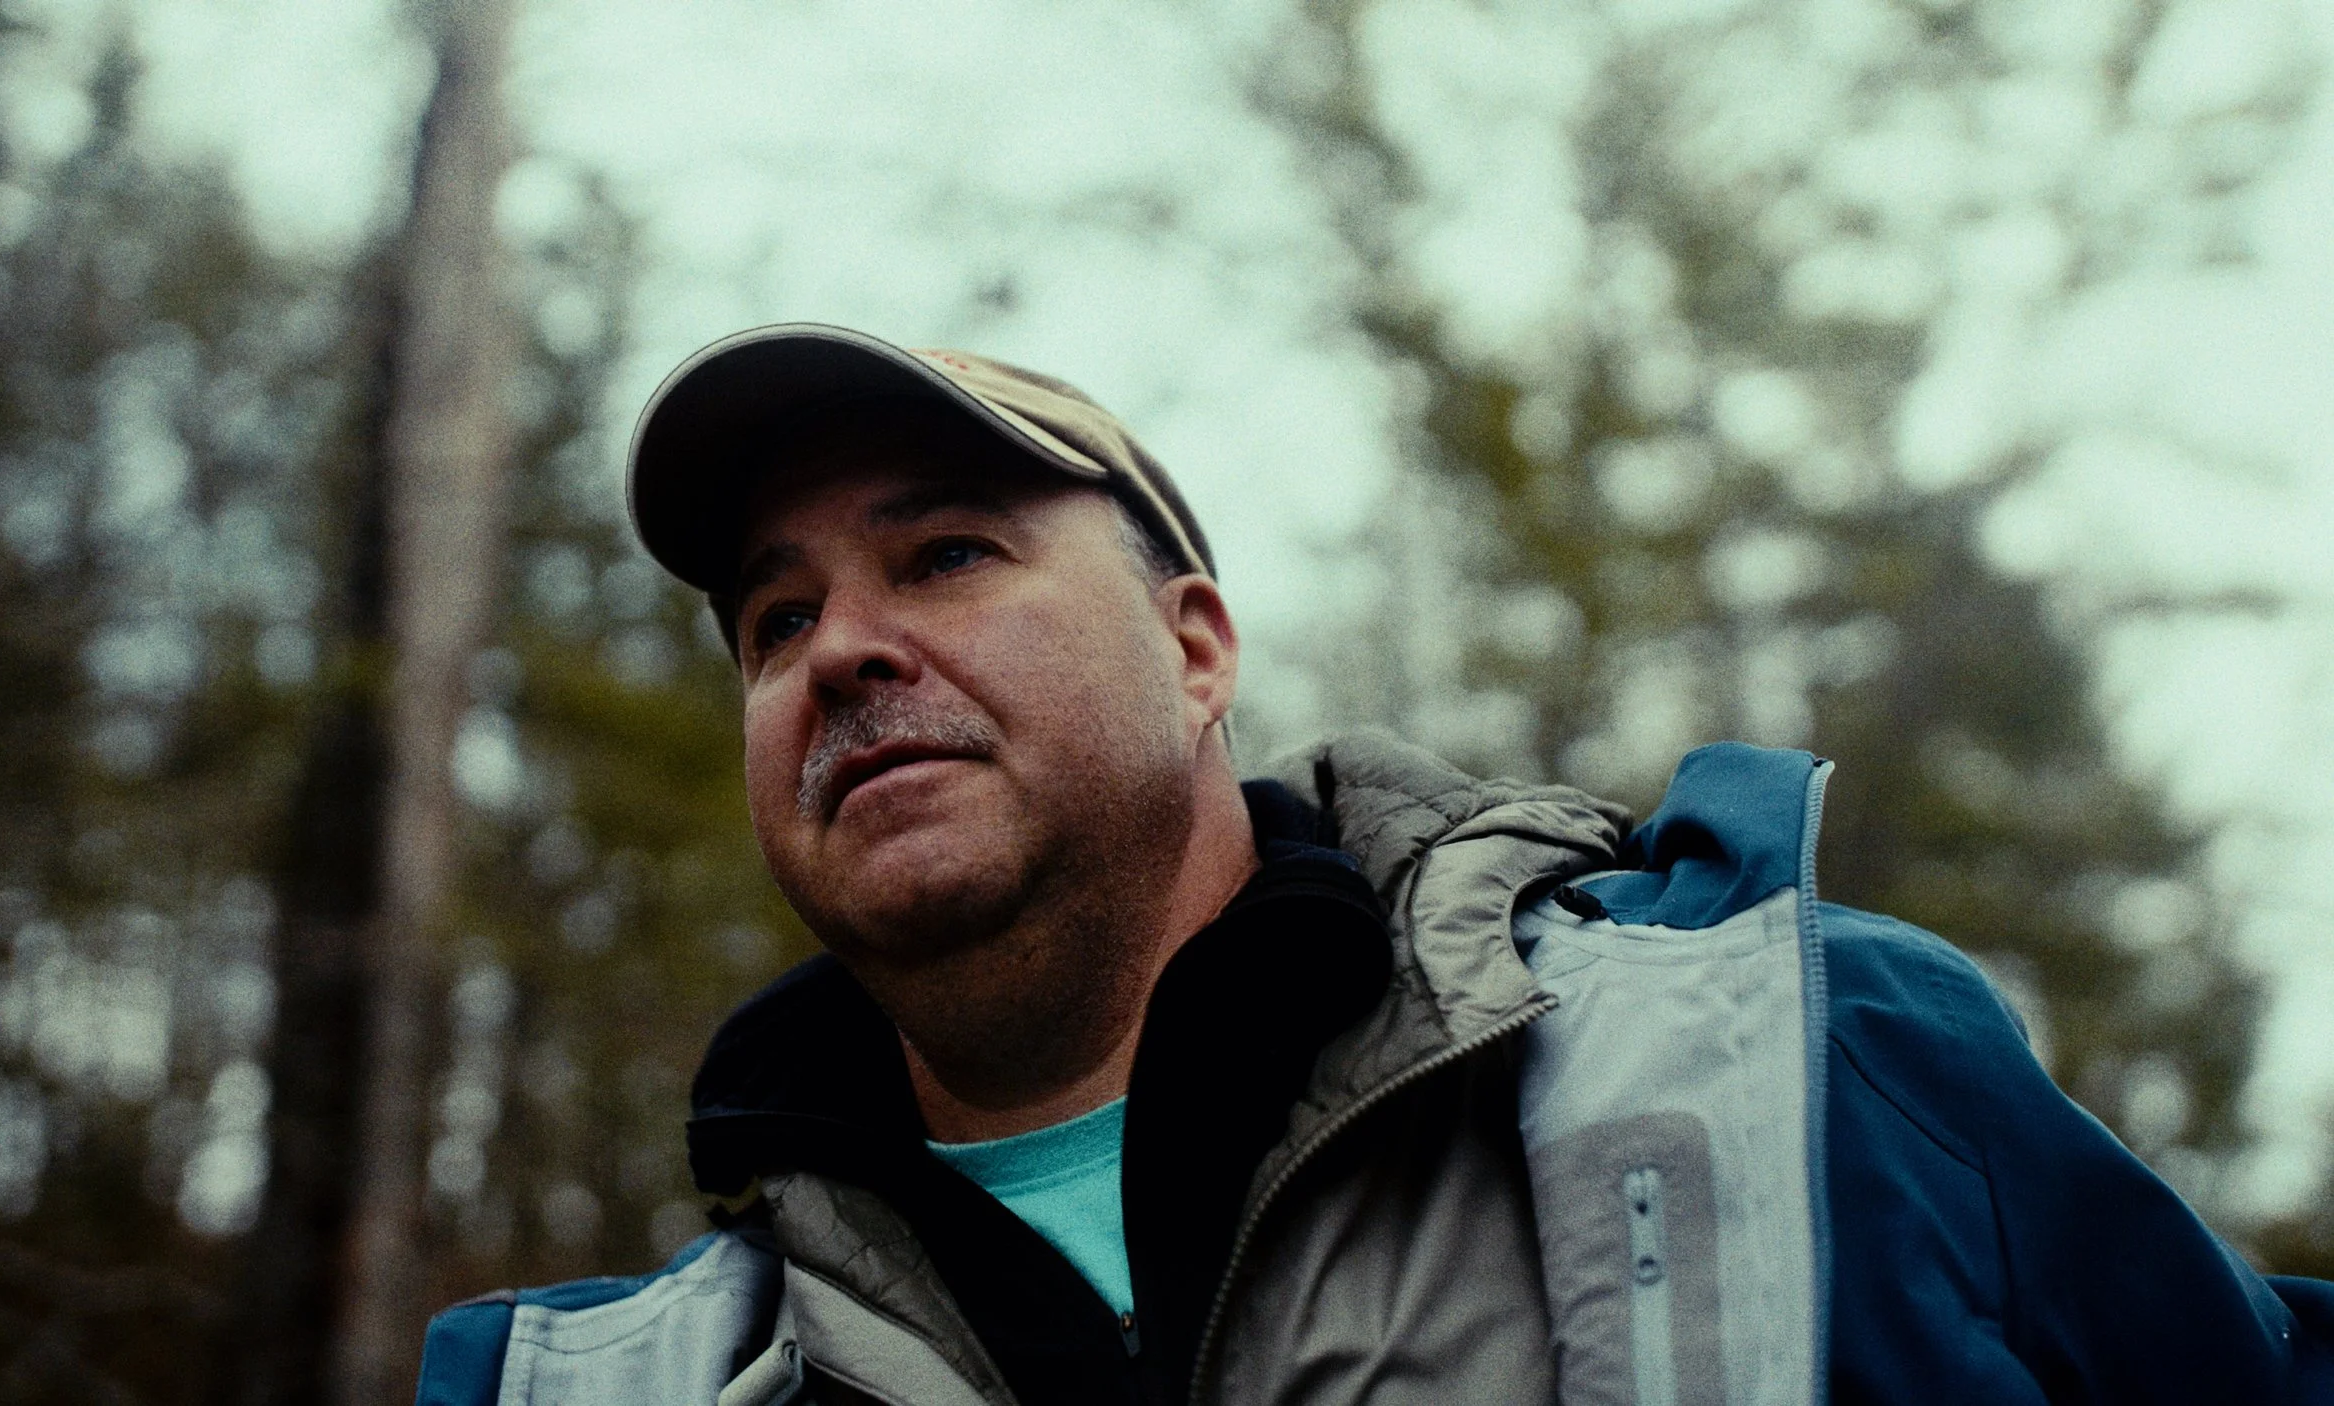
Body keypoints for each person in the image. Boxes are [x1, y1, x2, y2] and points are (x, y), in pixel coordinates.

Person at [414, 324, 2334, 1406]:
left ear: (1195, 651)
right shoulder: (615, 1384)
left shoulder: (1803, 1065)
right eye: (772, 618)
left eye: (946, 557)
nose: (836, 649)